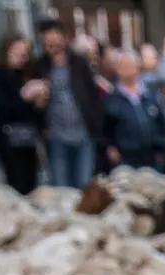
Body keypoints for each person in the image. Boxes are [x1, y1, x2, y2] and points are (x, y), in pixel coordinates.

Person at [26, 17, 104, 189]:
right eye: (46, 42)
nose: (50, 45)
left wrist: (95, 124)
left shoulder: (78, 63)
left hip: (83, 132)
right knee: (60, 187)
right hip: (56, 134)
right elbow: (34, 103)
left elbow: (92, 95)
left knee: (84, 184)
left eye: (53, 40)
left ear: (63, 38)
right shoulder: (39, 66)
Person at [0, 32, 42, 195]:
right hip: (9, 135)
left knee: (31, 179)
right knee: (16, 181)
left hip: (28, 135)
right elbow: (6, 107)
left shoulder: (28, 74)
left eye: (25, 52)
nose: (22, 56)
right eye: (17, 51)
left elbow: (34, 111)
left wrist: (40, 100)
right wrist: (25, 95)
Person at [103, 49, 165, 170]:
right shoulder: (111, 99)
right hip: (125, 159)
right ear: (117, 69)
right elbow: (106, 129)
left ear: (138, 67)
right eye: (123, 66)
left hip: (152, 157)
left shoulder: (150, 94)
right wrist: (110, 148)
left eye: (130, 65)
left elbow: (161, 122)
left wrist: (162, 146)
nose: (127, 69)